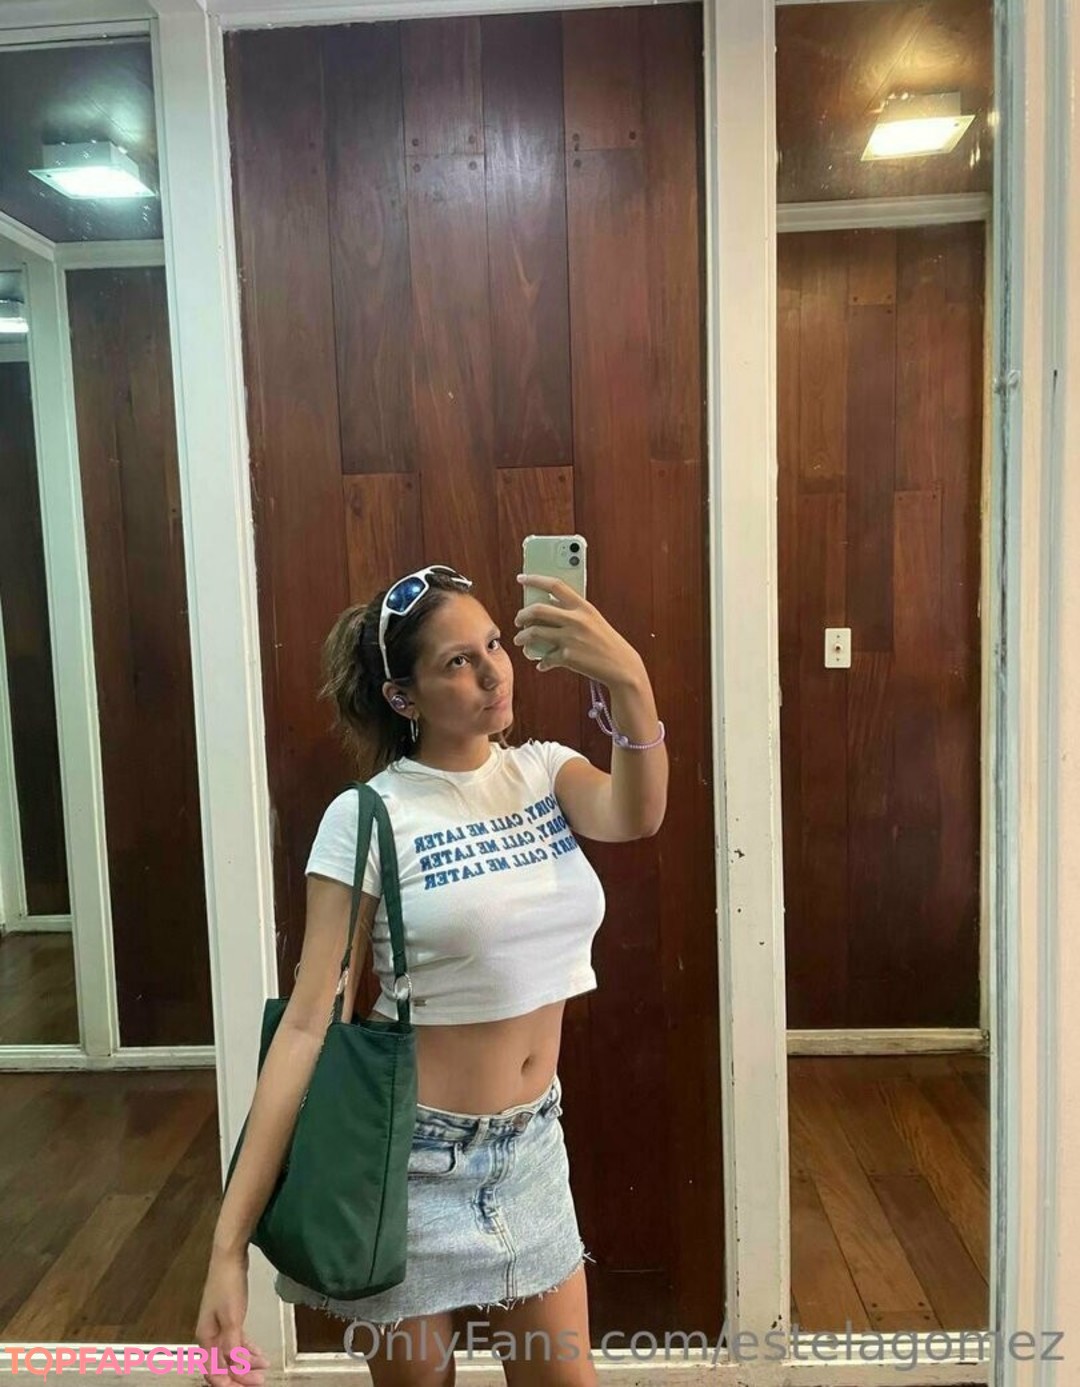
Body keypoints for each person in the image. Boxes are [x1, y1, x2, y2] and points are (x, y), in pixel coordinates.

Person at [196, 563, 668, 1387]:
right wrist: (227, 1247)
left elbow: (636, 813)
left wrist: (629, 679)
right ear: (402, 695)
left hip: (530, 1148)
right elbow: (306, 1025)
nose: (492, 672)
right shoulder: (368, 816)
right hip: (406, 1163)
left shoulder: (543, 771)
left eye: (494, 645)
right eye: (457, 661)